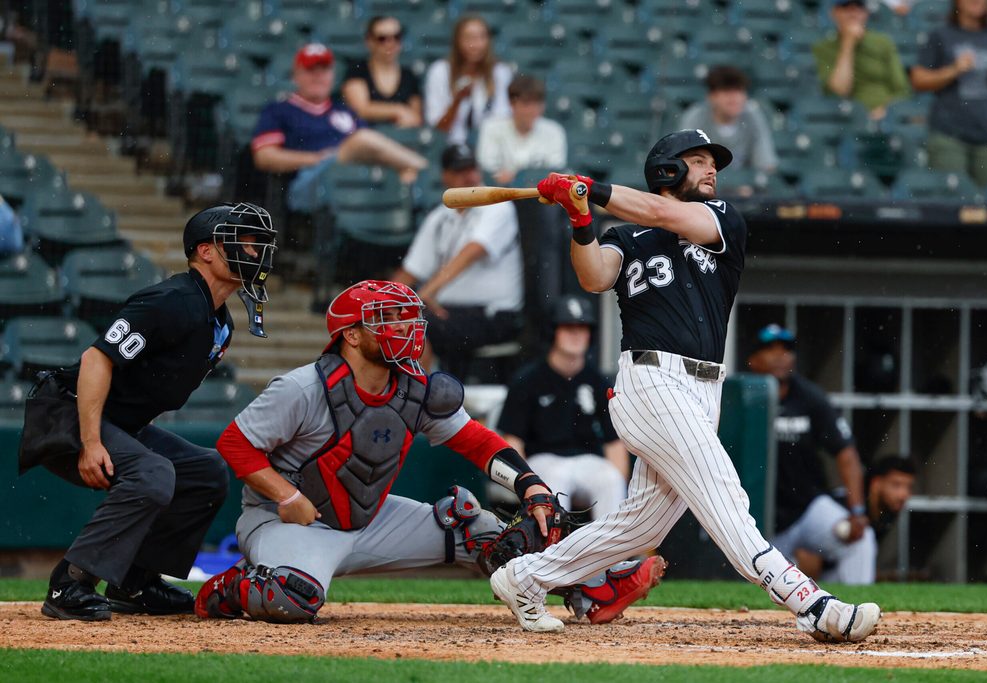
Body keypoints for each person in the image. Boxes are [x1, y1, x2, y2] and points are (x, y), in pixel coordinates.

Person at [488, 129, 881, 642]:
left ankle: (524, 577)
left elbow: (662, 214)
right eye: (698, 161)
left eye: (712, 162)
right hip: (650, 382)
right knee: (724, 493)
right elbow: (593, 276)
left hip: (703, 389)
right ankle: (808, 603)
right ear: (668, 170)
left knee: (641, 528)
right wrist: (581, 218)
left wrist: (594, 190)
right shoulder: (625, 237)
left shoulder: (721, 220)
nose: (712, 170)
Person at [194, 280, 662, 625]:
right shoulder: (302, 386)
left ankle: (594, 587)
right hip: (293, 520)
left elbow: (477, 441)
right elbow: (234, 444)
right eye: (387, 320)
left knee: (492, 535)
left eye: (406, 318)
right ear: (351, 335)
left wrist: (530, 483)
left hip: (370, 518)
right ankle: (233, 585)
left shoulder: (415, 388)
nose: (405, 328)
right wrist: (283, 495)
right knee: (290, 599)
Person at [17, 203, 278, 621]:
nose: (254, 252)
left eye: (257, 244)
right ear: (206, 251)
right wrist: (91, 442)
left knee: (204, 471)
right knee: (154, 473)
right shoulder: (171, 299)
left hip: (116, 421)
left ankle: (135, 584)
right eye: (243, 242)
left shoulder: (220, 320)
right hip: (65, 414)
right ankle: (69, 584)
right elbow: (96, 360)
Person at [746, 324, 873, 585]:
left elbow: (846, 453)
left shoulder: (809, 398)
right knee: (770, 583)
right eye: (770, 349)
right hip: (754, 517)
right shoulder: (739, 396)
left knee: (861, 540)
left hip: (806, 508)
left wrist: (857, 510)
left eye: (786, 350)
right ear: (753, 359)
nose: (780, 356)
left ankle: (855, 610)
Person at [251, 43, 427, 212]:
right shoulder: (280, 109)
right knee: (362, 138)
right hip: (311, 182)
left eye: (324, 69)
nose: (318, 76)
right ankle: (427, 170)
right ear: (296, 75)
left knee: (405, 175)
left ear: (332, 75)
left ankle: (417, 175)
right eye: (311, 69)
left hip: (356, 181)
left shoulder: (344, 110)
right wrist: (317, 158)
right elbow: (264, 156)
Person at [497, 295, 629, 520]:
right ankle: (551, 551)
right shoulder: (527, 380)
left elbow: (615, 445)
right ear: (553, 331)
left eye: (582, 327)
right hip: (543, 460)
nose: (576, 334)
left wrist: (622, 485)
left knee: (610, 478)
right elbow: (513, 443)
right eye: (568, 327)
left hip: (587, 461)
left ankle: (611, 554)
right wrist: (525, 483)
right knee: (556, 479)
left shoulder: (598, 382)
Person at [393, 144, 522, 372]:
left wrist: (425, 294)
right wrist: (381, 306)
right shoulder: (440, 217)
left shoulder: (497, 204)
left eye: (472, 168)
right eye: (460, 170)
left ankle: (421, 399)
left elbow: (472, 251)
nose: (469, 176)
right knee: (393, 324)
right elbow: (410, 272)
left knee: (416, 326)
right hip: (449, 312)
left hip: (493, 314)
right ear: (446, 176)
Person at [910, 0, 987, 189]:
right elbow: (918, 80)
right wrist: (954, 69)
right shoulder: (940, 34)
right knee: (950, 205)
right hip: (949, 135)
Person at [813, 0, 911, 120]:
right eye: (846, 7)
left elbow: (902, 89)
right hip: (848, 118)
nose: (853, 13)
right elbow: (839, 90)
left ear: (866, 13)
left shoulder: (883, 42)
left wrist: (885, 110)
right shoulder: (822, 48)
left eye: (859, 7)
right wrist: (848, 43)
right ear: (834, 12)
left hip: (888, 115)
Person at [424, 15, 513, 145]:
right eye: (469, 38)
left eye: (481, 37)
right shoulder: (440, 71)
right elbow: (439, 127)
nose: (476, 44)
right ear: (457, 41)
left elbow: (503, 118)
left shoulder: (500, 72)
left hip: (490, 146)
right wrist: (457, 101)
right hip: (450, 146)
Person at [678, 66, 777, 174]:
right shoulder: (695, 117)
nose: (734, 98)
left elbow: (766, 165)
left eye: (739, 91)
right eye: (726, 91)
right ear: (712, 96)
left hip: (744, 188)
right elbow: (685, 165)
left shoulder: (753, 116)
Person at [476, 74, 567, 186]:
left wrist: (519, 177)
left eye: (537, 104)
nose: (532, 110)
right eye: (526, 104)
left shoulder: (555, 131)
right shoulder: (491, 127)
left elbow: (556, 173)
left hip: (541, 196)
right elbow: (488, 171)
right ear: (511, 104)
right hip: (501, 195)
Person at [341, 16, 423, 128]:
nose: (391, 43)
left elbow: (415, 118)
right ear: (369, 41)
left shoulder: (409, 75)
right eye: (382, 39)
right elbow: (359, 109)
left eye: (396, 37)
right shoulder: (358, 69)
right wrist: (398, 110)